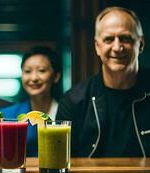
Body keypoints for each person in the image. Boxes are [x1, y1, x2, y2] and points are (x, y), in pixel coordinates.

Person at [56, 7, 150, 157]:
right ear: (97, 46)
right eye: (108, 39)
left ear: (141, 44)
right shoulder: (73, 102)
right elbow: (61, 163)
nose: (117, 47)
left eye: (125, 38)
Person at [1, 46, 62, 156]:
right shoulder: (7, 115)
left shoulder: (67, 113)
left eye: (42, 71)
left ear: (56, 76)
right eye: (27, 71)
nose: (33, 78)